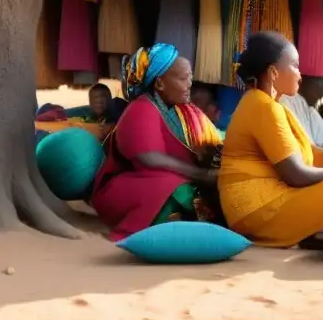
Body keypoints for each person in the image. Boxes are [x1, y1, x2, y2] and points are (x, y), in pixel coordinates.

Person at [219, 32, 323, 248]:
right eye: (294, 66)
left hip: (271, 199)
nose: (300, 75)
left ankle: (320, 233)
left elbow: (311, 156)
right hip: (254, 210)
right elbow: (296, 175)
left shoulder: (273, 105)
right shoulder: (262, 107)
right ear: (274, 73)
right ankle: (320, 234)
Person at [90, 44, 223, 242]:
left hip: (157, 181)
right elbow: (149, 159)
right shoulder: (141, 109)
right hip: (126, 189)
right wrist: (200, 174)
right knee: (176, 188)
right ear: (160, 83)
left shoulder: (184, 112)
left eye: (190, 77)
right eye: (182, 78)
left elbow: (213, 140)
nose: (189, 85)